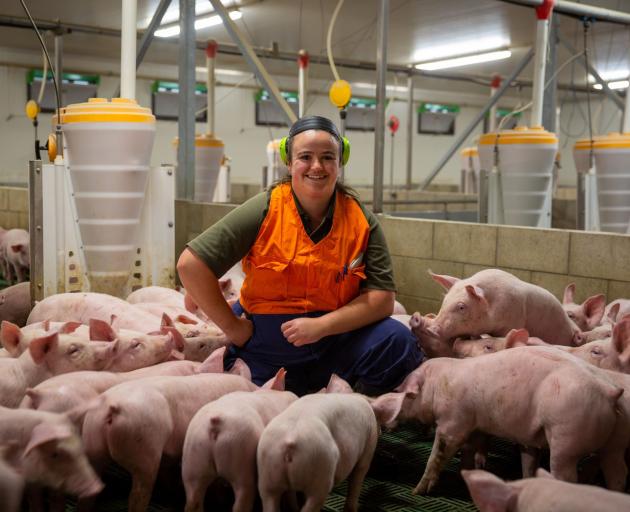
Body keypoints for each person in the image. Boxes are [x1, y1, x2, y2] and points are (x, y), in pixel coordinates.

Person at [177, 115, 423, 395]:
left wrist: (321, 326)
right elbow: (190, 265)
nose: (317, 166)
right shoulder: (265, 209)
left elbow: (381, 299)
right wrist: (234, 328)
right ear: (289, 161)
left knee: (398, 341)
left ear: (340, 163)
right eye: (305, 156)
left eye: (328, 157)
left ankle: (363, 404)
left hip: (336, 340)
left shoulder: (360, 220)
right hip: (267, 348)